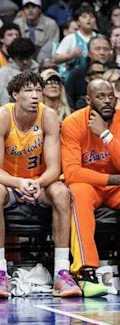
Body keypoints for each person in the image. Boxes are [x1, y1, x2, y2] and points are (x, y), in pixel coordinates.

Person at [61, 79, 120, 297]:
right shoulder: (73, 123)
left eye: (110, 96)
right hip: (92, 184)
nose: (106, 101)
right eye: (100, 97)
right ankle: (86, 271)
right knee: (78, 192)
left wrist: (106, 135)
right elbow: (72, 173)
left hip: (118, 185)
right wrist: (116, 179)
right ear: (88, 100)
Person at [0, 72, 81, 297]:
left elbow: (55, 168)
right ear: (15, 95)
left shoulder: (49, 116)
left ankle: (62, 273)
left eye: (38, 90)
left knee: (62, 193)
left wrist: (37, 183)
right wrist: (19, 183)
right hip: (9, 183)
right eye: (28, 91)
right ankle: (0, 273)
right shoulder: (3, 116)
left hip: (40, 183)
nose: (35, 96)